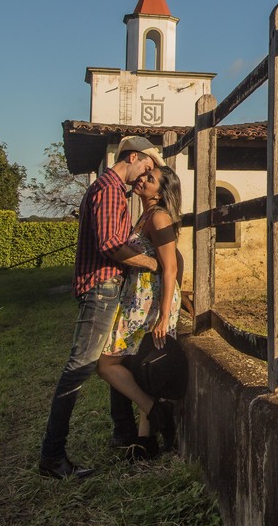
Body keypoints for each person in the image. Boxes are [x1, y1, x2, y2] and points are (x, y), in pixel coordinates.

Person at [38, 135, 166, 480]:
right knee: (80, 366)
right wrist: (152, 265)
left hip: (105, 286)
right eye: (146, 168)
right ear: (135, 156)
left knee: (110, 357)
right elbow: (111, 245)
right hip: (102, 286)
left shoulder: (108, 189)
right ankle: (52, 456)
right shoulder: (109, 189)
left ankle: (123, 432)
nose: (144, 176)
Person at [96, 163, 184, 459]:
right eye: (146, 175)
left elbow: (170, 267)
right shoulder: (146, 214)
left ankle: (153, 410)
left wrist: (163, 314)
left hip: (150, 300)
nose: (143, 180)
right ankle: (145, 440)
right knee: (141, 365)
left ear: (161, 192)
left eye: (151, 179)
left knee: (105, 363)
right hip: (139, 296)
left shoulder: (158, 217)